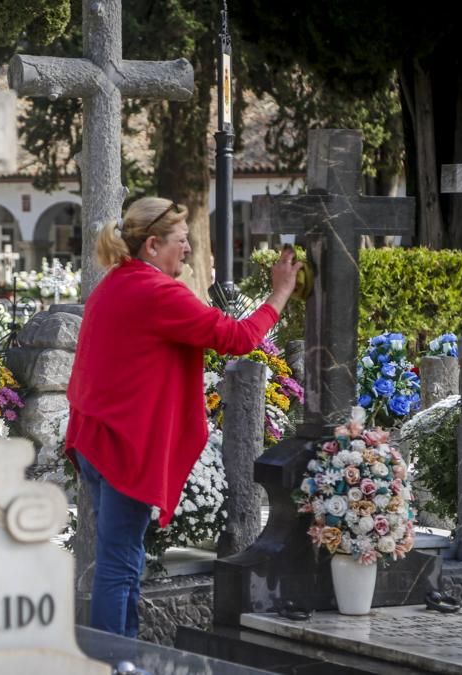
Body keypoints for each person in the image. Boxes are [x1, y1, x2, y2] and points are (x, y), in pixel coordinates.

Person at [65, 196, 301, 637]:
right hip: (122, 449)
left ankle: (125, 657)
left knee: (125, 557)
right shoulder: (157, 292)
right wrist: (281, 291)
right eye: (180, 240)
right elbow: (238, 337)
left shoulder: (116, 283)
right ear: (152, 245)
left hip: (99, 441)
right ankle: (113, 663)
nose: (188, 248)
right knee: (119, 565)